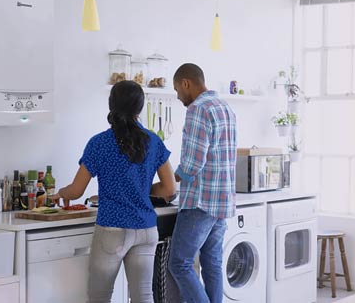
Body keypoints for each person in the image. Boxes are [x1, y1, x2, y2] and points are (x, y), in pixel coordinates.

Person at [52, 80, 176, 303]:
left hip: (112, 229)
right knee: (143, 296)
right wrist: (142, 188)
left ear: (111, 105)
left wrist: (60, 193)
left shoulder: (99, 143)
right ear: (140, 108)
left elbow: (77, 190)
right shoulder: (154, 141)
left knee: (100, 297)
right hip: (146, 229)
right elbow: (169, 188)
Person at [168, 63, 237, 303]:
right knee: (212, 265)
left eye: (177, 89)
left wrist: (169, 180)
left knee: (179, 263)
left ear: (186, 83)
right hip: (222, 201)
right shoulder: (225, 107)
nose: (178, 96)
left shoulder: (198, 109)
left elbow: (192, 163)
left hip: (200, 202)